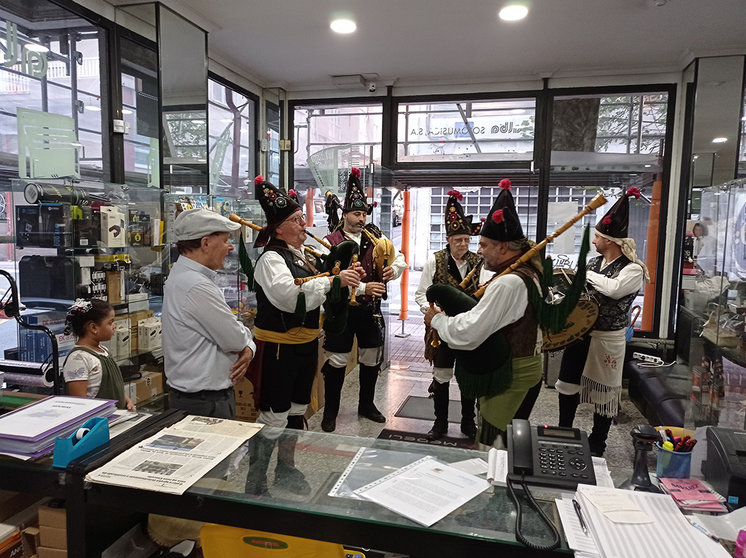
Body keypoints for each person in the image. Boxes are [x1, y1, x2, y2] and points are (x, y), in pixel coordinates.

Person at [246, 176, 362, 494]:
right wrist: (335, 282)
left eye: (302, 219)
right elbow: (288, 296)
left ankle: (287, 468)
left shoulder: (304, 256)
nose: (303, 225)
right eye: (297, 220)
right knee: (274, 415)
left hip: (306, 346)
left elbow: (326, 284)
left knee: (297, 410)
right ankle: (255, 479)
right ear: (279, 228)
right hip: (279, 350)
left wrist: (354, 281)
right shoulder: (271, 259)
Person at [424, 179, 543, 449]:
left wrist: (438, 320)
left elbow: (470, 332)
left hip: (512, 374)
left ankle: (496, 489)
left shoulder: (509, 281)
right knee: (509, 441)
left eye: (485, 244)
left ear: (504, 246)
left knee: (494, 447)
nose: (478, 250)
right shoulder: (528, 273)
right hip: (525, 369)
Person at [555, 187, 649, 457]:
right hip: (580, 334)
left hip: (608, 339)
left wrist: (585, 273)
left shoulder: (633, 268)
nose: (594, 240)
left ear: (610, 240)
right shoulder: (593, 262)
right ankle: (564, 432)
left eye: (597, 236)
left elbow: (614, 289)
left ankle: (598, 442)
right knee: (568, 384)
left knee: (604, 394)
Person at [319, 167, 407, 432]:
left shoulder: (375, 237)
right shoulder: (330, 241)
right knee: (337, 360)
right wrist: (363, 288)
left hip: (370, 311)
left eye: (364, 214)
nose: (361, 218)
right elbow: (325, 281)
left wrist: (395, 269)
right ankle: (330, 411)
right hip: (341, 312)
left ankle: (366, 405)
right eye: (356, 214)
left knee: (371, 358)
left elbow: (399, 256)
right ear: (344, 214)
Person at [162, 208, 255, 420]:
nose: (230, 247)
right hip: (205, 403)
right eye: (225, 240)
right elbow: (235, 338)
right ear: (205, 243)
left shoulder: (185, 275)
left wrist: (247, 345)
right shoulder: (195, 285)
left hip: (199, 399)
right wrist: (249, 345)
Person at [415, 189, 486, 440]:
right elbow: (421, 294)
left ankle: (468, 422)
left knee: (467, 375)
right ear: (448, 239)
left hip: (468, 329)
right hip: (440, 330)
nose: (464, 245)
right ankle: (440, 422)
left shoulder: (479, 262)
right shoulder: (435, 261)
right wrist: (432, 312)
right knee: (442, 375)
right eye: (458, 240)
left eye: (467, 240)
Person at [63, 298, 135, 410]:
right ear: (93, 327)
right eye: (110, 322)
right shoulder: (78, 358)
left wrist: (127, 400)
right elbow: (79, 403)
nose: (114, 326)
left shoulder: (103, 350)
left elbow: (116, 387)